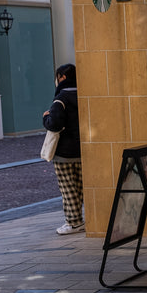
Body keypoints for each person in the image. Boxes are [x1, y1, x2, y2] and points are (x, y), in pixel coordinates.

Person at [43, 64, 83, 235]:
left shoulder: (61, 99)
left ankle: (73, 222)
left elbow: (55, 124)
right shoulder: (85, 95)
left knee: (68, 189)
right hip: (82, 151)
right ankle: (82, 218)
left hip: (64, 153)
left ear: (62, 78)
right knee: (81, 187)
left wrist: (46, 118)